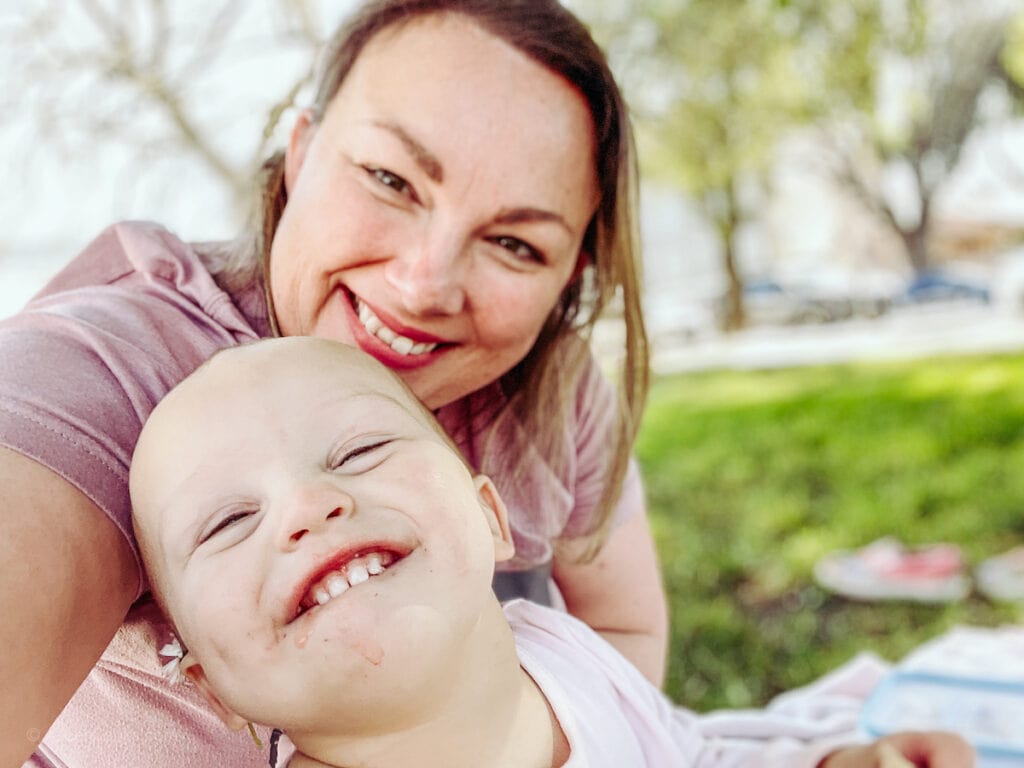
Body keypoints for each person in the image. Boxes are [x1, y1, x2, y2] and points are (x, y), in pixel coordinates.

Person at [0, 2, 666, 765]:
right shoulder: (100, 371)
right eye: (391, 179)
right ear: (302, 151)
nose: (425, 284)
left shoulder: (553, 387)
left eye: (515, 243)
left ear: (570, 273)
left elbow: (625, 629)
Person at [128, 337, 974, 768]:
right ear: (205, 677)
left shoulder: (568, 660)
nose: (310, 506)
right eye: (228, 522)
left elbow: (681, 754)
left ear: (491, 516)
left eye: (356, 453)